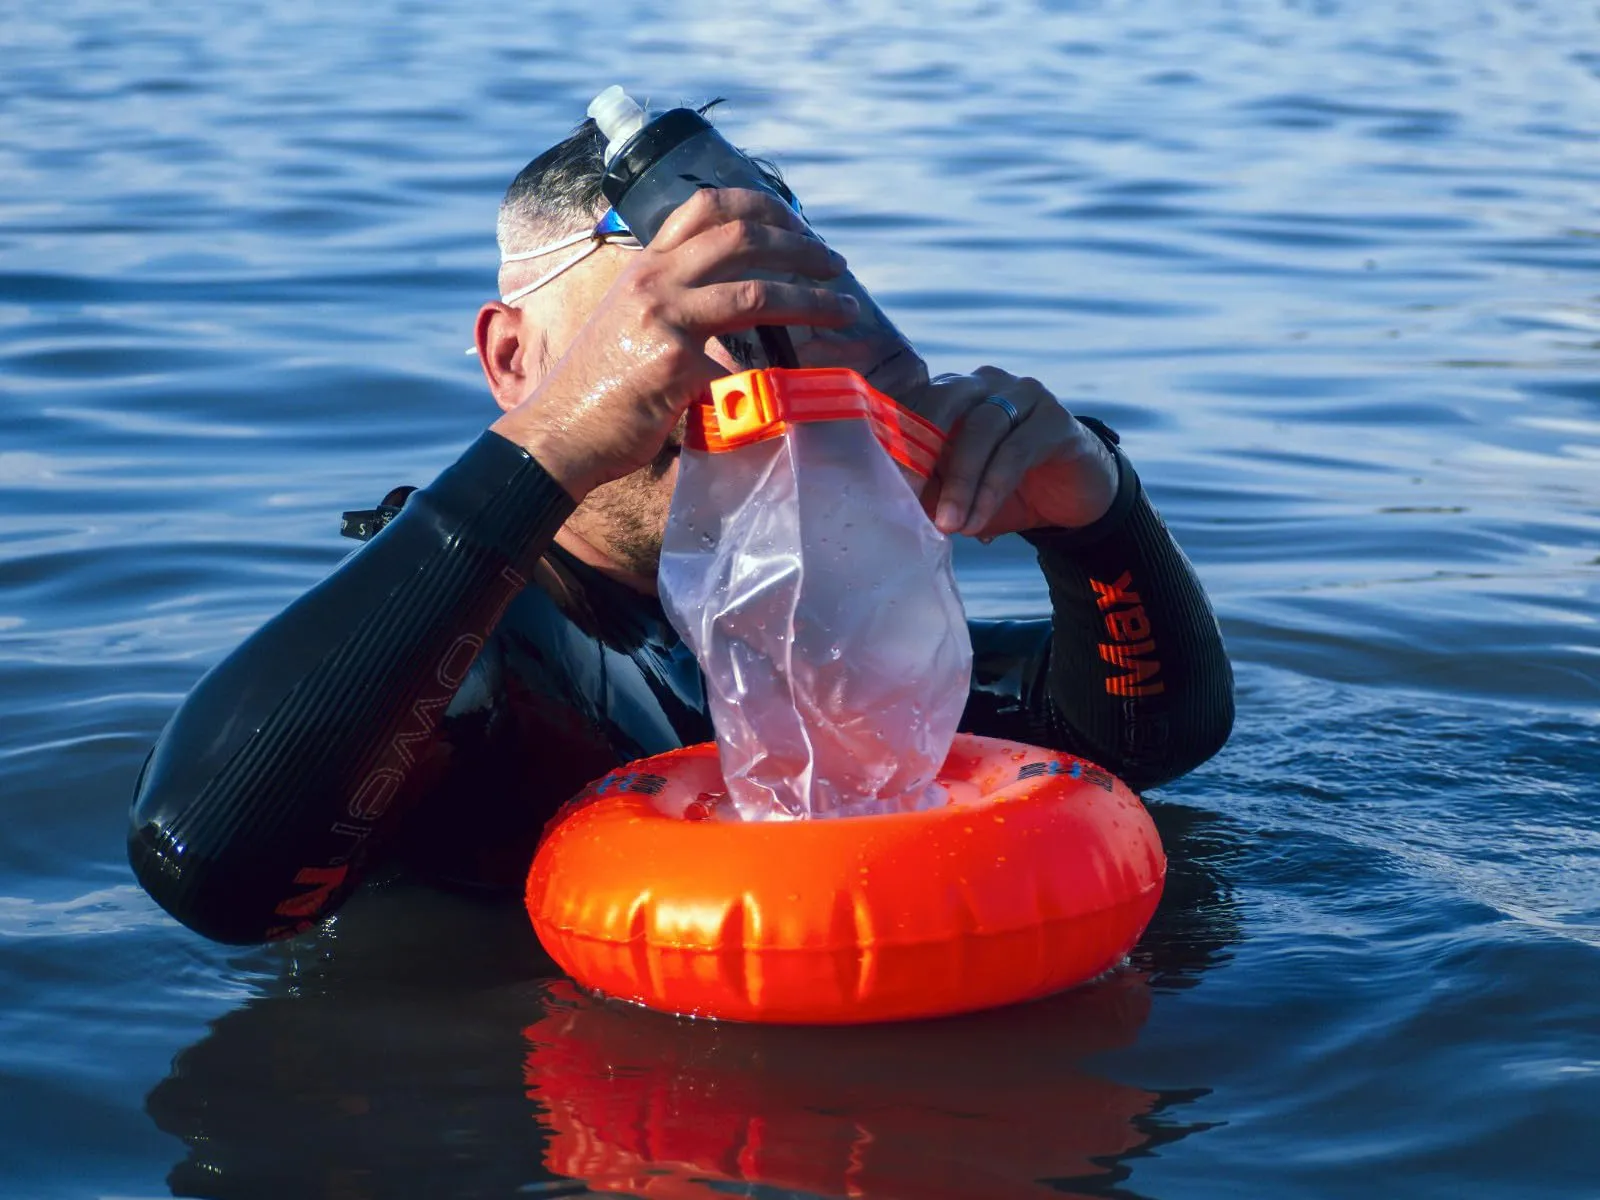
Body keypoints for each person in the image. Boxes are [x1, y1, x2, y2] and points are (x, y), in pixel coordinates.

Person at [126, 116, 1235, 945]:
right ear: (513, 360)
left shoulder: (808, 630)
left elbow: (1143, 745)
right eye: (676, 326)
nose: (731, 380)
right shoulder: (471, 654)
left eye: (772, 333)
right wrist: (561, 443)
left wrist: (1097, 523)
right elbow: (211, 864)